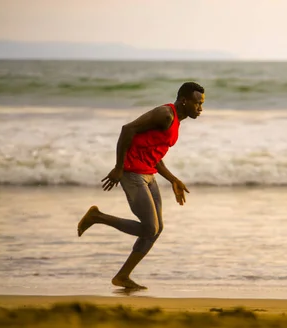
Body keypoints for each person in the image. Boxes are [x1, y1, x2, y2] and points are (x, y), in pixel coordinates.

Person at [77, 82, 205, 290]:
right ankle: (97, 217)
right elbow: (127, 129)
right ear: (184, 101)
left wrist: (173, 179)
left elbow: (154, 156)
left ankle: (122, 277)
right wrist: (119, 167)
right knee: (149, 228)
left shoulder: (175, 123)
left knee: (157, 229)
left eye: (202, 104)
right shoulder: (165, 114)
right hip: (132, 172)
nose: (200, 108)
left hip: (148, 174)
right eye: (197, 103)